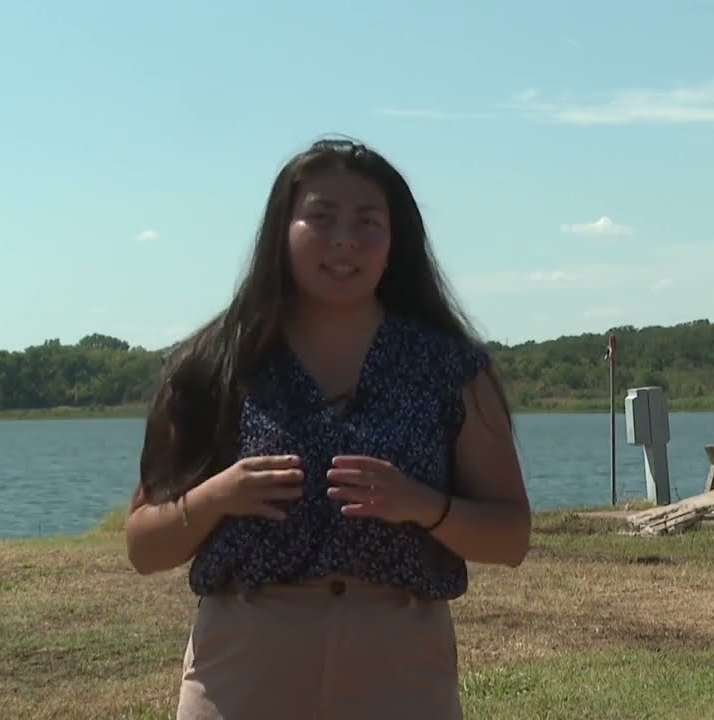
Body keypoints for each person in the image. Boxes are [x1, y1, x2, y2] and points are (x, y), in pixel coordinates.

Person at [123, 136, 532, 719]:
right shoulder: (212, 366)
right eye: (320, 217)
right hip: (243, 668)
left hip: (400, 668)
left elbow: (511, 537)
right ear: (281, 232)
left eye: (368, 221)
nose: (344, 238)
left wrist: (423, 505)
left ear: (394, 244)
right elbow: (143, 546)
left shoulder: (451, 368)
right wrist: (218, 496)